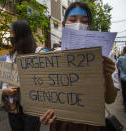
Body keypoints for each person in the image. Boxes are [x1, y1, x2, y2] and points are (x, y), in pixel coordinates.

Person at [39, 2, 118, 131]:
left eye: (85, 21)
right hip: (61, 124)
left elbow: (110, 99)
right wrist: (43, 114)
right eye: (73, 19)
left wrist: (107, 74)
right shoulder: (53, 59)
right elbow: (45, 97)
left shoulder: (104, 56)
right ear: (64, 25)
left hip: (92, 125)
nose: (79, 24)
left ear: (89, 27)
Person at [2, 19, 42, 131]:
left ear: (21, 34)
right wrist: (5, 90)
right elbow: (4, 80)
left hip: (32, 107)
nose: (10, 36)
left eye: (12, 33)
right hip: (13, 105)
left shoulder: (39, 53)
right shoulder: (10, 56)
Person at [117, 46, 126, 112]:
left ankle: (125, 106)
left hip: (124, 79)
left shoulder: (121, 58)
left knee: (124, 92)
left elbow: (117, 66)